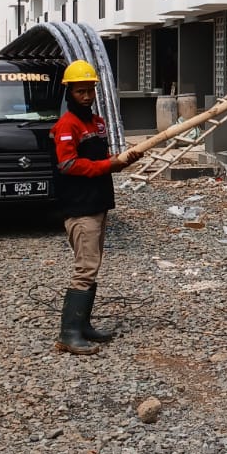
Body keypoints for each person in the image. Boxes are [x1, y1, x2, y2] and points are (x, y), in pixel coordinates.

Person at [50, 59, 142, 356]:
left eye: (90, 90)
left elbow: (103, 162)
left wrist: (123, 160)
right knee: (85, 268)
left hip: (98, 203)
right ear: (69, 92)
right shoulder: (67, 125)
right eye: (80, 91)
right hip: (79, 208)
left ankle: (83, 325)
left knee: (93, 265)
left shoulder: (97, 123)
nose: (87, 96)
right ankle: (69, 334)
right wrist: (108, 165)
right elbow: (68, 164)